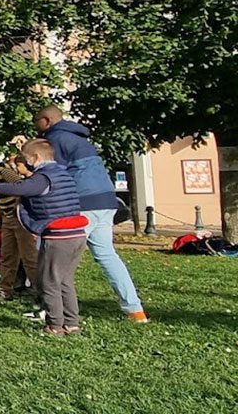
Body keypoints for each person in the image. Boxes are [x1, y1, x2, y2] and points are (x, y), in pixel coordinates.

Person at [35, 106, 148, 323]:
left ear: (46, 120)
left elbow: (54, 175)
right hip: (106, 200)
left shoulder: (55, 139)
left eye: (36, 120)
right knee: (107, 255)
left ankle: (49, 310)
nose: (34, 124)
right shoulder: (79, 139)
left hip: (82, 203)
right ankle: (135, 309)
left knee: (51, 253)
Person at [0, 139, 90, 335]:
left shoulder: (43, 178)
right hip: (77, 234)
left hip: (58, 236)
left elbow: (16, 189)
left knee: (49, 281)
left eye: (26, 159)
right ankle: (72, 323)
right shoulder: (63, 174)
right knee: (65, 280)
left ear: (35, 158)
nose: (24, 164)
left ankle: (55, 325)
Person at [0, 150, 40, 301]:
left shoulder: (4, 170)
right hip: (7, 217)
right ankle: (5, 290)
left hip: (18, 217)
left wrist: (18, 206)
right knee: (7, 255)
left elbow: (21, 185)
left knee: (29, 258)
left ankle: (41, 293)